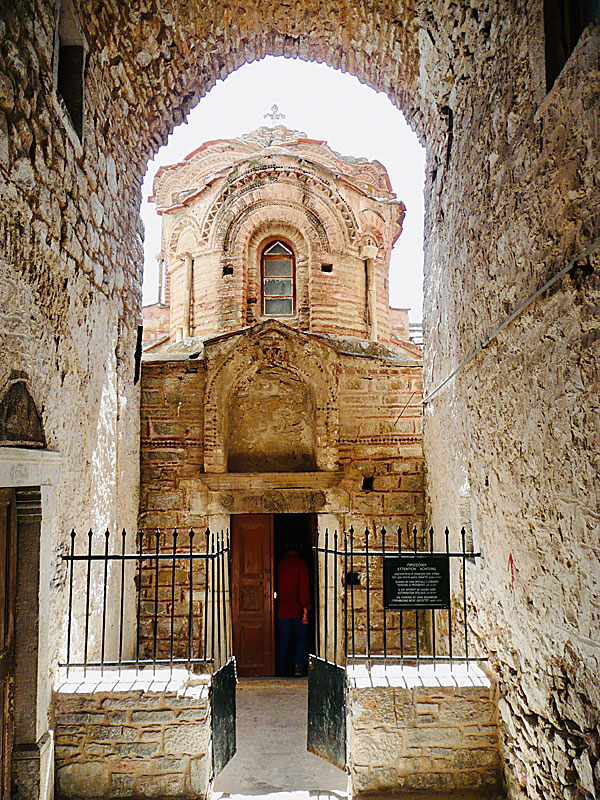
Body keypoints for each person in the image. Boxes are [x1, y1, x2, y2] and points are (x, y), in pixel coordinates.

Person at [276, 539, 311, 676]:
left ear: (286, 546)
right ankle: (298, 666)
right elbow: (304, 590)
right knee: (301, 639)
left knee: (283, 641)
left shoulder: (279, 564)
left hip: (282, 610)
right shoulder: (301, 566)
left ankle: (280, 669)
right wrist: (306, 610)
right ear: (300, 547)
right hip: (298, 611)